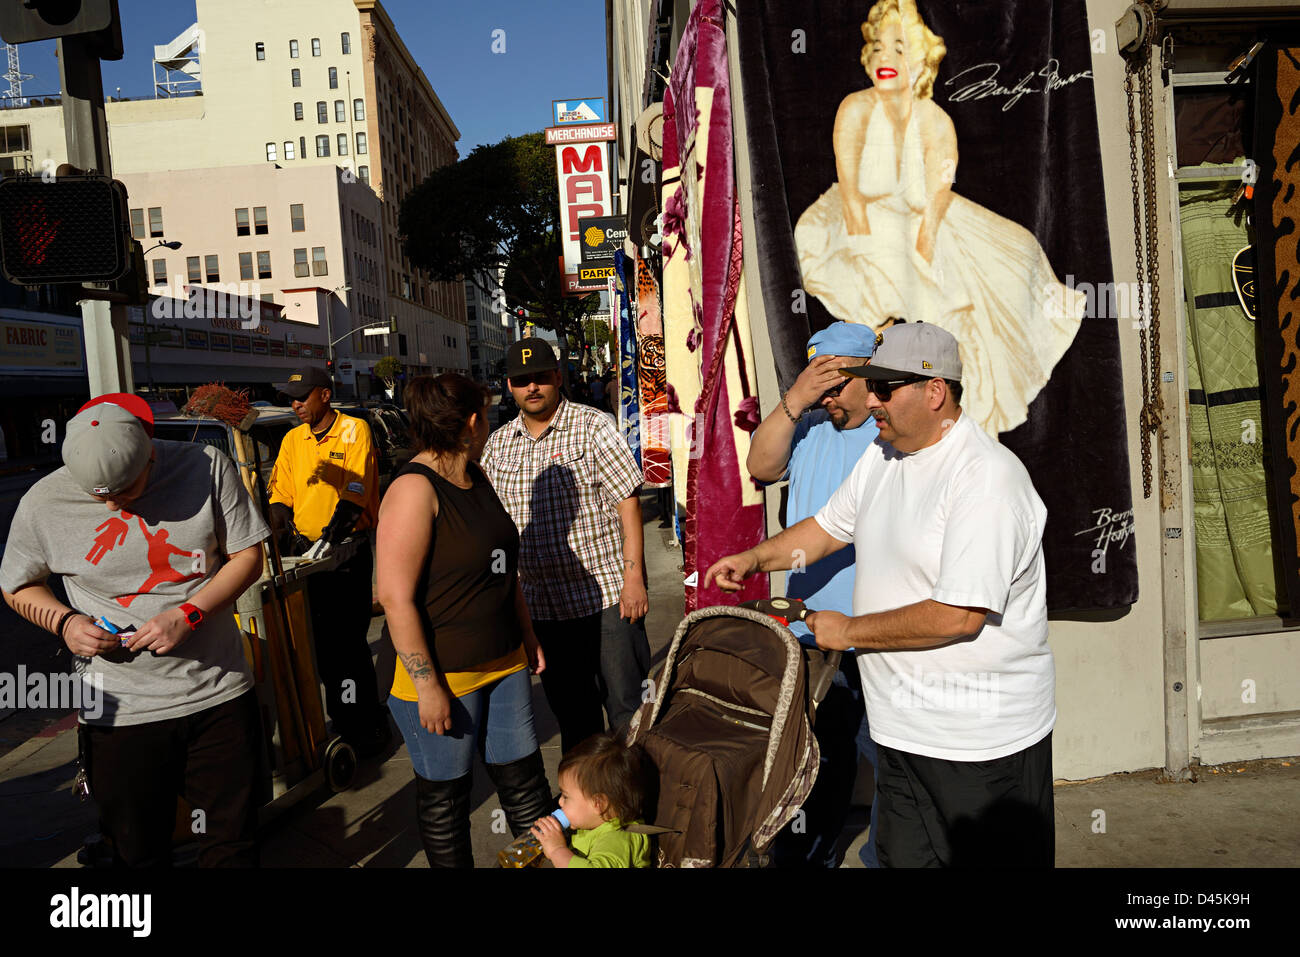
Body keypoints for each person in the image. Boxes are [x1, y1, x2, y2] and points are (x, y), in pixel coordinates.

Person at [705, 323, 1056, 867]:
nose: (870, 400)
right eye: (868, 385)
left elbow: (959, 615)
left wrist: (846, 630)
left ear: (934, 391)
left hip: (976, 744)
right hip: (903, 735)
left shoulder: (986, 480)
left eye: (883, 388)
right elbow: (826, 528)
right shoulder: (883, 456)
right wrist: (755, 558)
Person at [0, 394, 268, 867]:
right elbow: (18, 586)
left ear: (150, 450)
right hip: (118, 713)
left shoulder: (206, 466)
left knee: (233, 845)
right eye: (99, 496)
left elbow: (248, 555)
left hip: (217, 695)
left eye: (126, 490)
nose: (112, 505)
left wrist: (190, 614)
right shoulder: (43, 501)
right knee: (135, 854)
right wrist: (65, 622)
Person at [793, 0, 1084, 435]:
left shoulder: (936, 122)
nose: (886, 58)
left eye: (900, 48)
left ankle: (964, 398)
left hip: (924, 223)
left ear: (921, 61)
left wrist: (927, 266)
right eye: (879, 48)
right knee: (889, 268)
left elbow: (932, 210)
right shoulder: (853, 110)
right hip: (857, 223)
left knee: (1017, 251)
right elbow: (851, 198)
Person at [376, 374, 552, 867]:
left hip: (505, 663)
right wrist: (428, 686)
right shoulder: (414, 488)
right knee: (448, 799)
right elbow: (394, 598)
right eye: (489, 414)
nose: (490, 424)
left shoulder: (476, 476)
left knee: (527, 787)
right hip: (443, 678)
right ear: (473, 421)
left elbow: (503, 569)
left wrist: (526, 633)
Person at [746, 319, 880, 868]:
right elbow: (759, 465)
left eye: (836, 383)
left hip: (879, 629)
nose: (828, 397)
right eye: (817, 383)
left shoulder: (890, 433)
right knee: (816, 761)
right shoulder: (808, 426)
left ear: (867, 375)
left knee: (891, 760)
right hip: (809, 628)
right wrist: (795, 400)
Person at [480, 339, 650, 755]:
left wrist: (635, 579)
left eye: (540, 377)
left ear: (558, 378)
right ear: (509, 386)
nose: (532, 387)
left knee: (629, 712)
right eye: (522, 381)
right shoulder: (498, 446)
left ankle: (639, 804)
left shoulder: (594, 426)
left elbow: (627, 504)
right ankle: (591, 808)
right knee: (575, 717)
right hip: (543, 609)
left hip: (608, 598)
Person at [268, 366, 389, 758]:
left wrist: (333, 535)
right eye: (292, 398)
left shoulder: (354, 430)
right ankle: (345, 717)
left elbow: (355, 492)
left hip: (345, 551)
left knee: (348, 644)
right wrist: (279, 522)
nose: (296, 404)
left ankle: (366, 726)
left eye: (303, 396)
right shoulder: (292, 439)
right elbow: (280, 494)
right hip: (306, 556)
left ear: (324, 394)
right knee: (319, 646)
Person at [532, 732, 652, 868]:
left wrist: (557, 851)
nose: (560, 802)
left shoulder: (617, 839)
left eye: (566, 797)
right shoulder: (592, 823)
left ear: (598, 804)